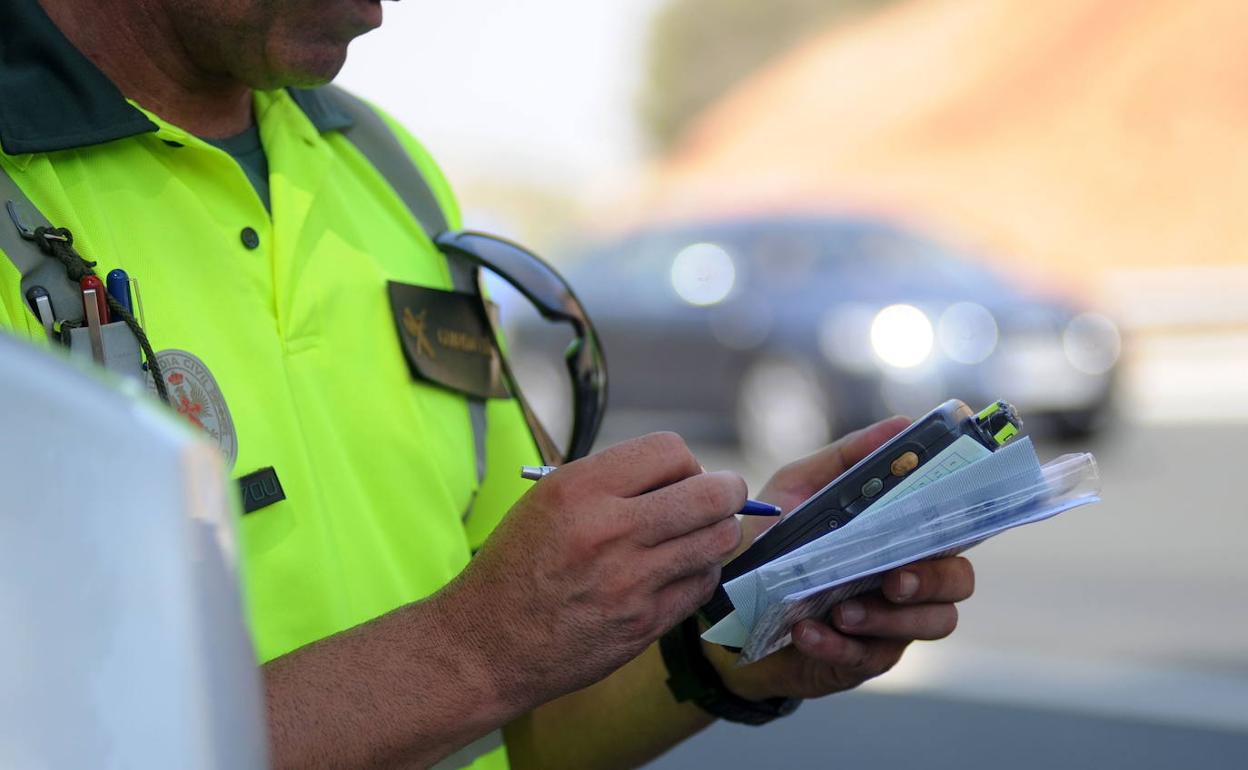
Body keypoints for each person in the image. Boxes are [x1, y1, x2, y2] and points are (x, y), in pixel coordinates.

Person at [0, 1, 976, 768]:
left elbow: (526, 712)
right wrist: (472, 647)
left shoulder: (384, 170)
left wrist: (745, 622)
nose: (386, 13)